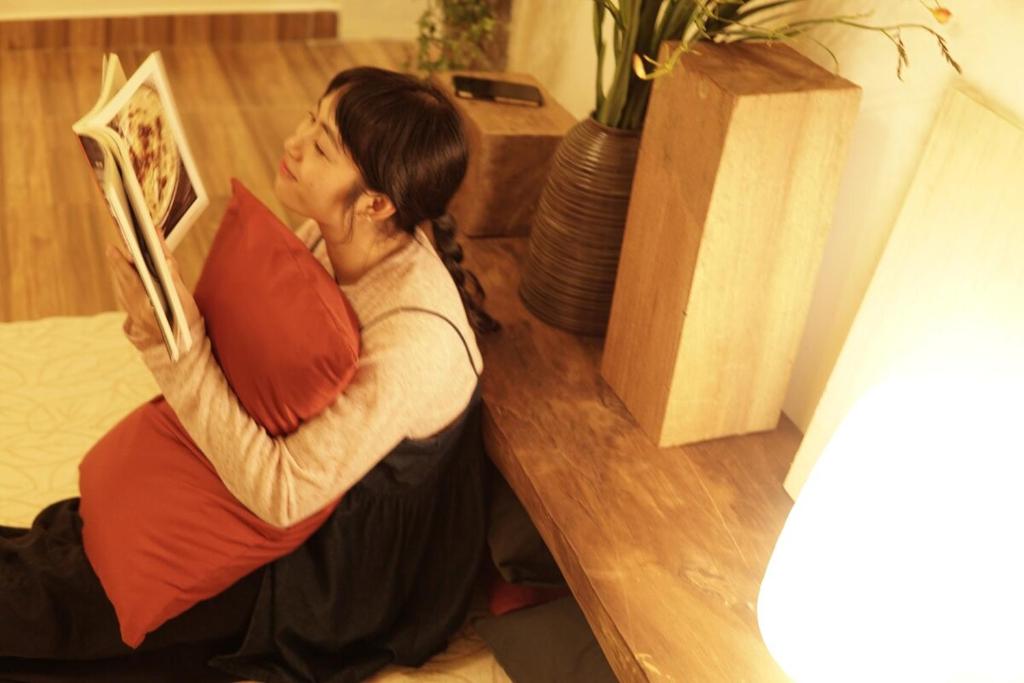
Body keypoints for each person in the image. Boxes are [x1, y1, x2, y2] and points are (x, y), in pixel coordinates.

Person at [1, 66, 499, 681]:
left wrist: (173, 347)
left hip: (338, 566)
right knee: (74, 541)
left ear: (376, 203)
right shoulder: (336, 231)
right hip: (267, 492)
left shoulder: (415, 342)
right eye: (311, 118)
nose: (294, 142)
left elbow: (282, 494)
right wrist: (166, 308)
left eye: (321, 147)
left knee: (76, 618)